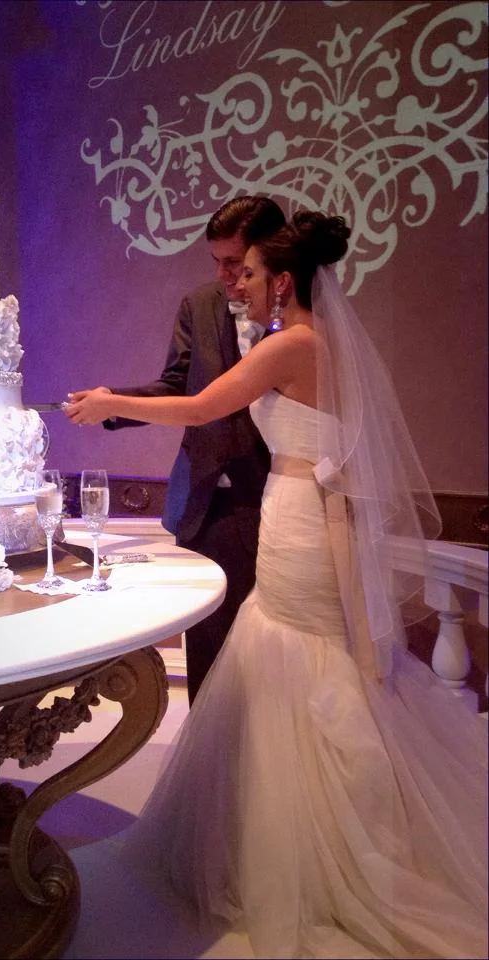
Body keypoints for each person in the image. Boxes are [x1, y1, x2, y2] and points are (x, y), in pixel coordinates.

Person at [65, 212, 487, 959]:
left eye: (249, 274)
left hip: (296, 518)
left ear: (282, 280)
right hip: (295, 513)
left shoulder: (292, 343)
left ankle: (314, 848)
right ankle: (289, 830)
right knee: (293, 656)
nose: (239, 287)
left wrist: (109, 403)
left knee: (297, 656)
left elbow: (200, 408)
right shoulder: (308, 342)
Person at [74, 195, 286, 704]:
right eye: (216, 262)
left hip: (279, 496)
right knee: (210, 648)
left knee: (276, 655)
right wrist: (112, 405)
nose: (225, 276)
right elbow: (179, 388)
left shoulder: (303, 315)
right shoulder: (200, 305)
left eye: (235, 263)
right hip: (210, 501)